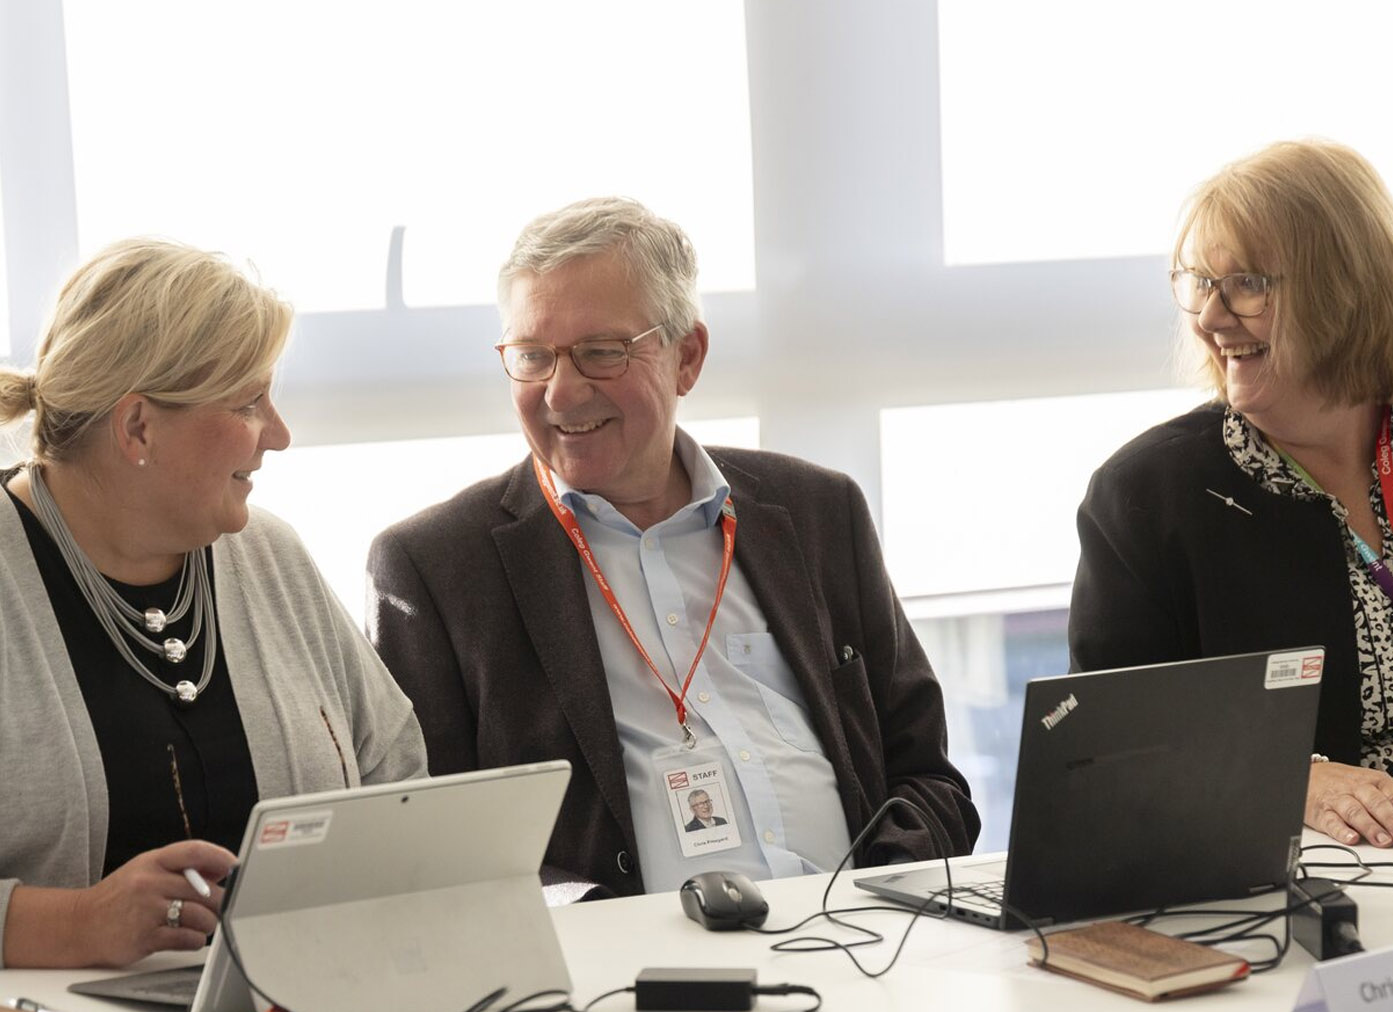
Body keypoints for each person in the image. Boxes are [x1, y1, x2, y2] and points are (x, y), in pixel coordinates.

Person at [368, 196, 978, 900]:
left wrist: (875, 897)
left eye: (601, 353)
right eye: (532, 357)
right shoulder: (434, 568)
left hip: (867, 944)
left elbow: (929, 777)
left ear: (686, 357)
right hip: (625, 975)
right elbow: (435, 848)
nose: (561, 393)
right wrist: (613, 931)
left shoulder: (816, 512)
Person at [0, 238, 427, 969]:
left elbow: (398, 778)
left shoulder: (270, 555)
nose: (281, 436)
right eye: (249, 402)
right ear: (137, 427)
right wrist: (74, 923)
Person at [1069, 139, 1393, 850]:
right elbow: (1101, 752)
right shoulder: (1145, 496)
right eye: (1198, 283)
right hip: (1297, 894)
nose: (1210, 319)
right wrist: (1287, 775)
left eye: (1245, 283)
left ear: (1343, 289)